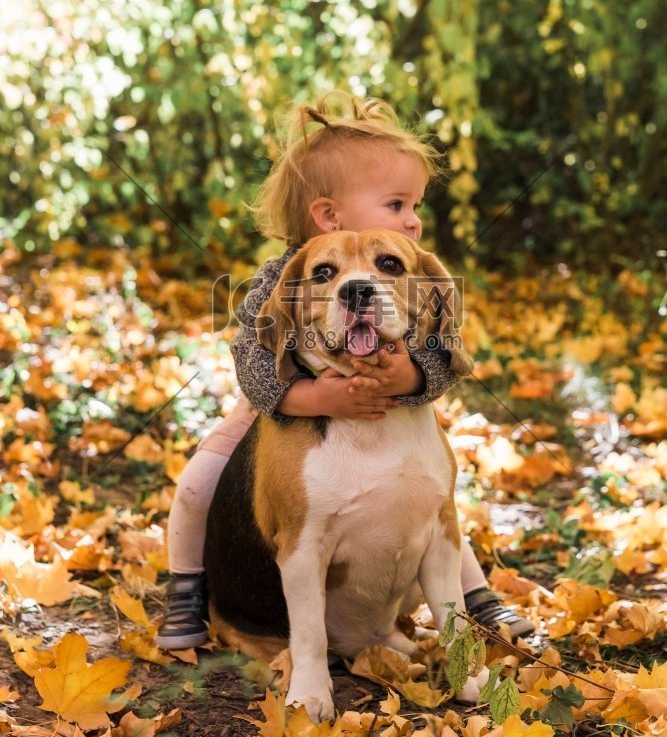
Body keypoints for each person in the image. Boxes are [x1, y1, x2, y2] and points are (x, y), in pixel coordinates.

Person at [156, 92, 535, 649]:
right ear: (329, 215)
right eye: (396, 204)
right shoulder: (283, 273)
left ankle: (476, 598)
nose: (413, 220)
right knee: (198, 484)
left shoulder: (410, 281)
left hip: (386, 401)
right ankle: (187, 588)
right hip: (279, 405)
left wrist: (409, 378)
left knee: (428, 503)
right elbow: (252, 359)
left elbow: (445, 351)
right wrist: (310, 399)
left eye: (415, 206)